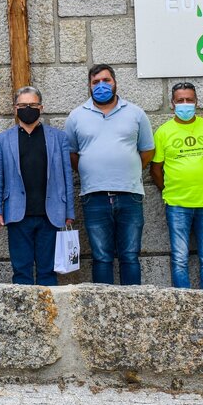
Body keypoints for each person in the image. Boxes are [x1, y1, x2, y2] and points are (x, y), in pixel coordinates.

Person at [64, 64, 154, 285]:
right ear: (89, 86)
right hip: (94, 196)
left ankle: (133, 303)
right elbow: (72, 154)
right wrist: (92, 170)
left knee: (130, 256)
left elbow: (147, 151)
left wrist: (128, 168)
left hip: (130, 194)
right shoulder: (76, 116)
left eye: (106, 80)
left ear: (115, 83)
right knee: (101, 257)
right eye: (96, 82)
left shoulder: (136, 113)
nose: (101, 85)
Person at [0, 86, 74, 285]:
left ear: (41, 107)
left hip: (51, 215)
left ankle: (49, 306)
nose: (28, 109)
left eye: (32, 105)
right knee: (21, 272)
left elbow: (67, 176)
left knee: (48, 272)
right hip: (17, 215)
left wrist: (69, 211)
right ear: (15, 108)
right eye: (22, 105)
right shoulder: (3, 140)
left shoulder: (58, 138)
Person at [150, 82, 203, 290]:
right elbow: (156, 169)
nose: (185, 104)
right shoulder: (163, 132)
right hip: (177, 204)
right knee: (180, 258)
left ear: (197, 101)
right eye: (180, 100)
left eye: (189, 100)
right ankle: (182, 302)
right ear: (172, 103)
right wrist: (167, 190)